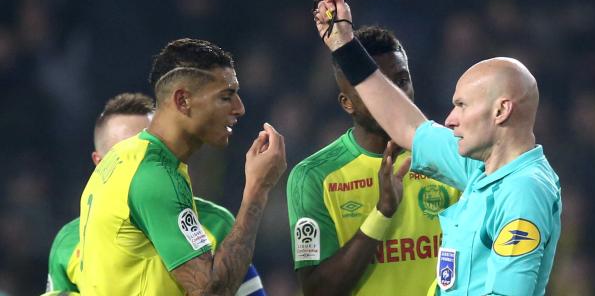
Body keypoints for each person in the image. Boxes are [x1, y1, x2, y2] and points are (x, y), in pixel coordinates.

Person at [312, 0, 562, 296]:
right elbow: (408, 125)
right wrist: (343, 44)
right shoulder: (480, 169)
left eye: (462, 106)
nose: (450, 119)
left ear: (501, 110)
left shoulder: (523, 189)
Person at [77, 39, 286, 295]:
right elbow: (210, 291)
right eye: (226, 96)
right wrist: (257, 188)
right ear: (183, 100)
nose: (239, 108)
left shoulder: (125, 157)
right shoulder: (153, 175)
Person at [287, 26, 460, 295]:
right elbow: (317, 290)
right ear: (347, 103)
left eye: (401, 81)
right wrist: (381, 213)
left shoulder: (450, 155)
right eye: (377, 88)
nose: (395, 96)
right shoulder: (314, 176)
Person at [45, 93, 266, 296]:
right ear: (100, 164)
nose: (142, 163)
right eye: (126, 154)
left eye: (151, 150)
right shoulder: (69, 241)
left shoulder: (216, 225)